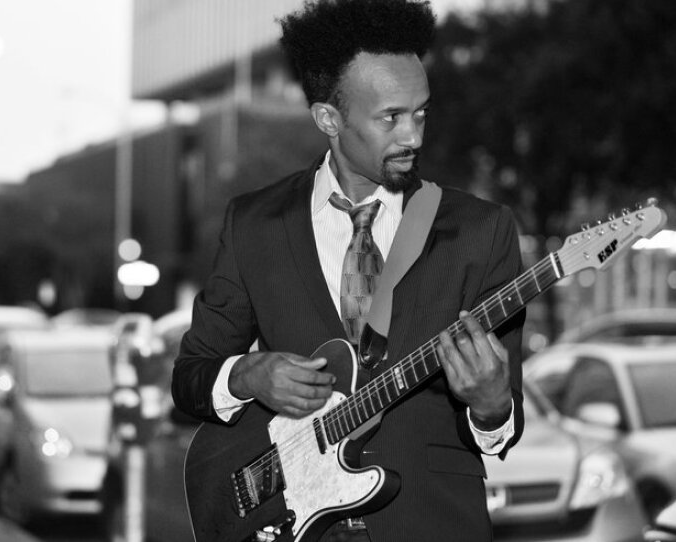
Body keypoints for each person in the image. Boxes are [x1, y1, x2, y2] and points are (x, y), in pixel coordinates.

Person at [171, 1, 525, 541]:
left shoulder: (482, 231)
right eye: (391, 117)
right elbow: (191, 376)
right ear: (329, 120)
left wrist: (493, 404)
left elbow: (503, 426)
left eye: (422, 112)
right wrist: (247, 375)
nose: (414, 136)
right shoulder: (254, 225)